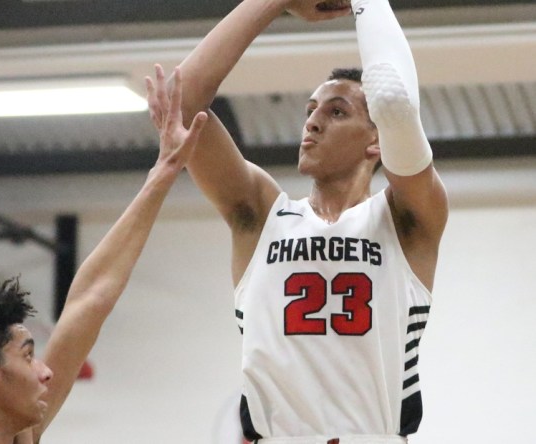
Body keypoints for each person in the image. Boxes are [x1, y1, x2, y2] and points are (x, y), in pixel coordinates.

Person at [146, 0, 448, 442]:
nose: (312, 123)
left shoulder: (406, 217)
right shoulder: (262, 213)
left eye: (336, 111)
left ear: (375, 142)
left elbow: (395, 103)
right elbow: (183, 100)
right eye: (310, 110)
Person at [0, 73, 208, 444]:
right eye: (27, 357)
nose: (46, 372)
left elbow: (91, 300)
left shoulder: (17, 437)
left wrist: (165, 172)